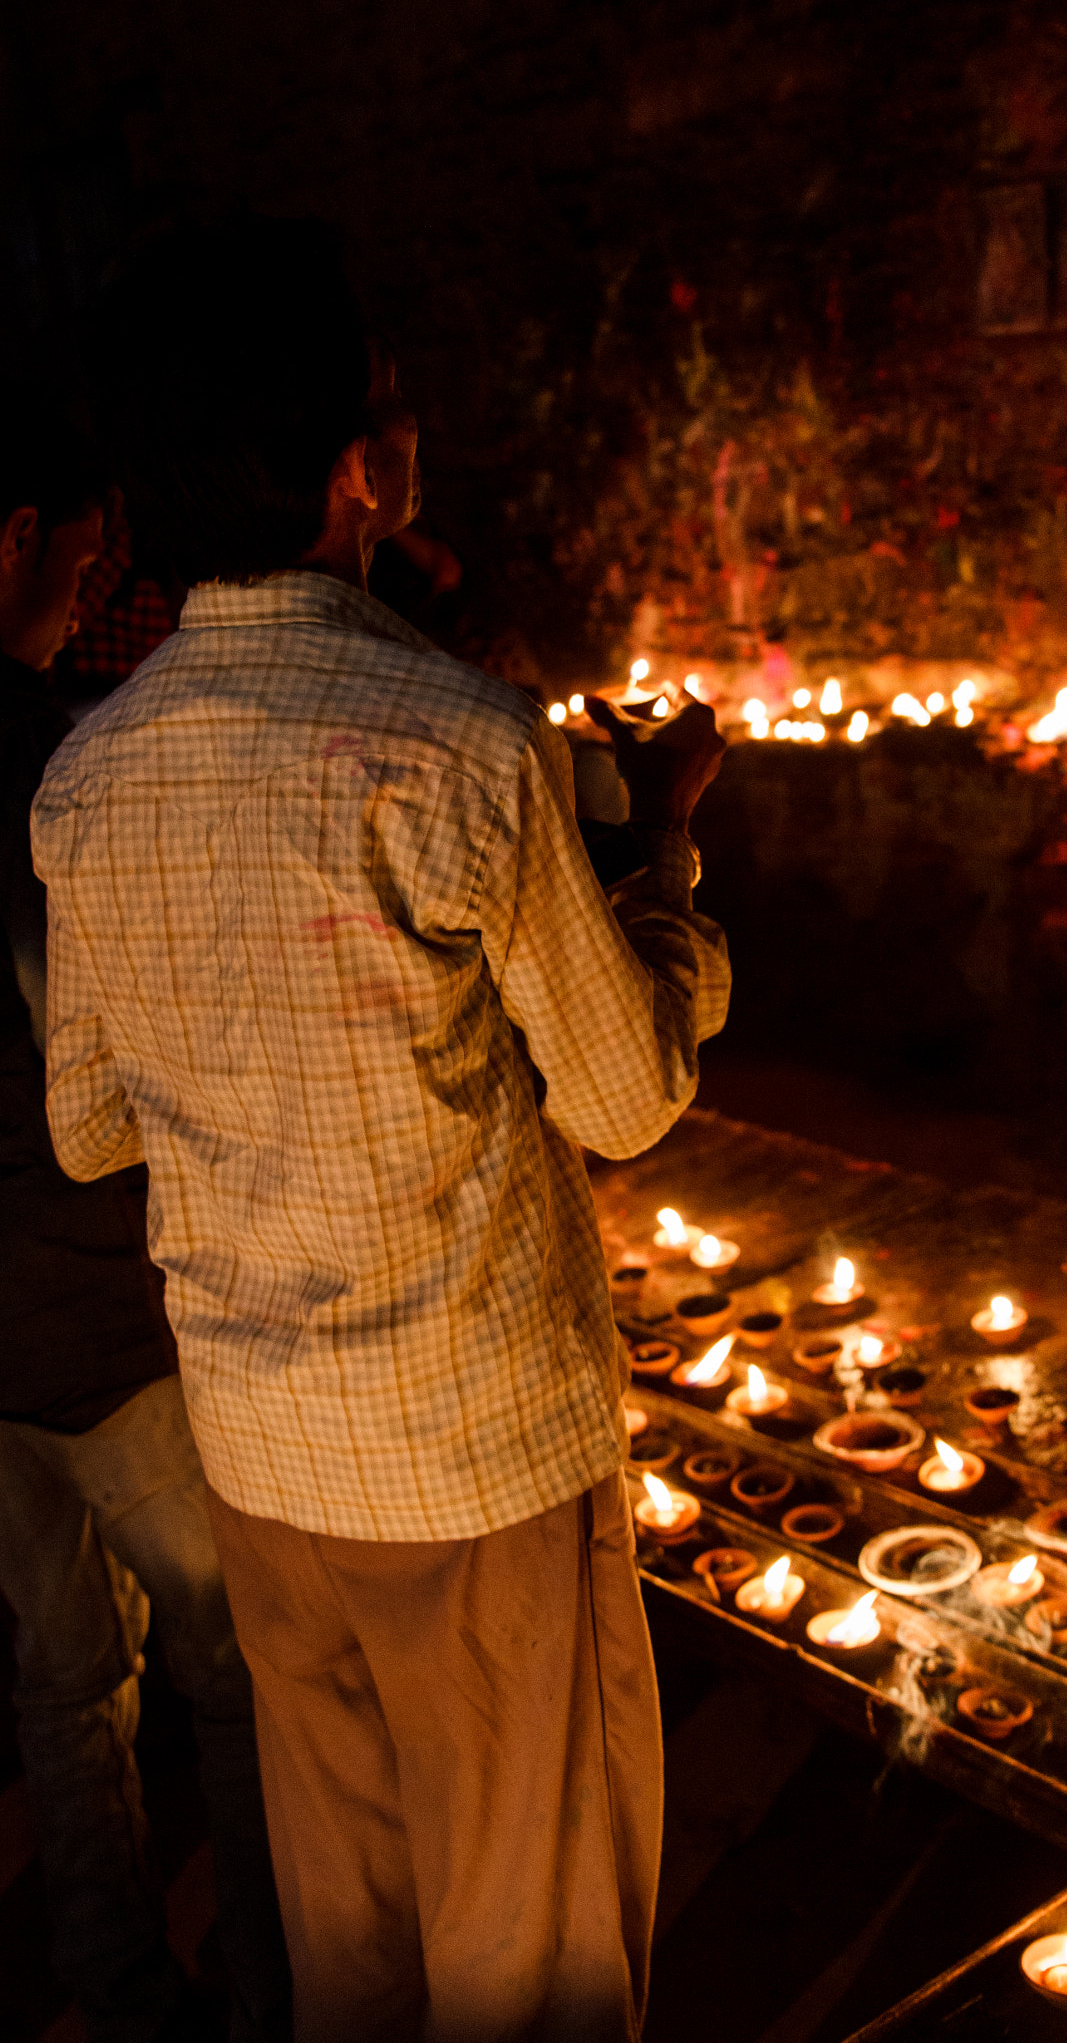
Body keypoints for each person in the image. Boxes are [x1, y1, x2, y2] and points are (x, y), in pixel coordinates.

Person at [34, 217, 730, 2043]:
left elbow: (93, 1128)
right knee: (538, 1954)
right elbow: (628, 1091)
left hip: (261, 1456)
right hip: (475, 1457)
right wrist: (662, 852)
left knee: (356, 1949)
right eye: (392, 413)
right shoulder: (459, 746)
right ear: (359, 471)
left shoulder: (88, 778)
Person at [0, 414, 291, 2041]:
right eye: (80, 555)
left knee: (57, 1668)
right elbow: (88, 1069)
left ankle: (110, 1982)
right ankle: (265, 1991)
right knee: (230, 1662)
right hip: (91, 1317)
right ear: (13, 537)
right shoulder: (43, 766)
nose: (92, 584)